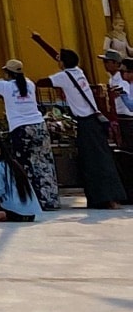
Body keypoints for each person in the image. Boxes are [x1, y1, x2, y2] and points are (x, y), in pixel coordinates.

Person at [48, 48, 125, 209]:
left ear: (63, 62)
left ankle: (106, 198)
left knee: (93, 162)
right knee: (102, 159)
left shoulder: (63, 76)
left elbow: (43, 82)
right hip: (93, 122)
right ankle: (108, 198)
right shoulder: (78, 71)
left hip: (86, 124)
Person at [0, 60, 59, 211]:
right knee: (44, 164)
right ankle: (49, 200)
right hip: (39, 126)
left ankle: (28, 200)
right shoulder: (30, 84)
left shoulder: (6, 86)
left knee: (23, 165)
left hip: (21, 129)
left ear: (7, 73)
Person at [0, 138, 43, 222]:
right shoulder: (15, 164)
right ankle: (6, 215)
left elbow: (0, 189)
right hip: (30, 214)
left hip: (14, 210)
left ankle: (4, 214)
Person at [105, 47, 133, 195]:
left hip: (127, 119)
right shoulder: (114, 79)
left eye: (127, 71)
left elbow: (131, 105)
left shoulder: (124, 83)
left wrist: (121, 95)